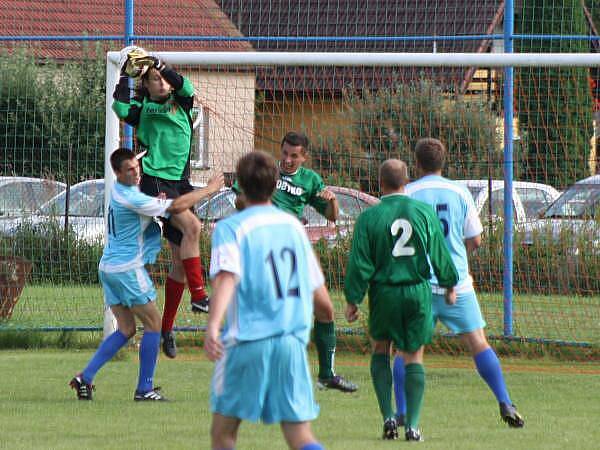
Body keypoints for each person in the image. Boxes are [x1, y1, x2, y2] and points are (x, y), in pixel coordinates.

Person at [69, 148, 223, 401]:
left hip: (109, 267)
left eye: (136, 166)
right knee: (154, 324)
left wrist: (159, 201)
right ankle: (144, 389)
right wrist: (210, 189)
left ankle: (84, 377)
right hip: (127, 268)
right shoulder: (134, 198)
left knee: (127, 328)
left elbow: (154, 209)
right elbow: (178, 205)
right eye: (129, 169)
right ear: (117, 173)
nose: (136, 171)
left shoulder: (123, 192)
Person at [392, 137, 524, 428]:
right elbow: (475, 239)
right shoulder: (459, 192)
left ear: (416, 163)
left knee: (407, 350)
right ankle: (505, 401)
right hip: (457, 283)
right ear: (443, 163)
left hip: (418, 285)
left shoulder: (407, 194)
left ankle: (401, 412)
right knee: (478, 343)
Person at [204, 151, 327, 450]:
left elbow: (226, 278)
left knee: (223, 434)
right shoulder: (294, 228)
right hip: (291, 343)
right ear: (275, 185)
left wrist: (212, 326)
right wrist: (327, 316)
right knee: (300, 436)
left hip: (248, 340)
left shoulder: (231, 228)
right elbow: (321, 297)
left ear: (240, 188)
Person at [344, 159, 458, 441]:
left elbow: (360, 263)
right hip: (417, 292)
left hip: (384, 293)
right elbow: (439, 252)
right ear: (406, 181)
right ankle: (414, 425)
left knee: (381, 350)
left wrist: (353, 299)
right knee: (413, 356)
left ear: (380, 183)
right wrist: (449, 283)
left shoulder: (369, 218)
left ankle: (388, 418)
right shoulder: (423, 212)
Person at [113, 50, 217, 360]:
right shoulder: (142, 107)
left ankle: (166, 329)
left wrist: (159, 65)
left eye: (162, 79)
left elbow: (186, 86)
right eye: (153, 80)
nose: (160, 84)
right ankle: (199, 297)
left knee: (179, 262)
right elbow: (120, 106)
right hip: (155, 180)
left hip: (181, 182)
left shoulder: (181, 102)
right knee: (193, 227)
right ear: (145, 85)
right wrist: (125, 74)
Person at [234, 131, 357, 393]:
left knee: (325, 308)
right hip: (266, 247)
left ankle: (327, 375)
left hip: (295, 248)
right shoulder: (265, 170)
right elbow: (238, 200)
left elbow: (332, 217)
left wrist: (332, 200)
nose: (288, 160)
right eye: (285, 154)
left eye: (294, 156)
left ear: (304, 157)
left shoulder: (310, 180)